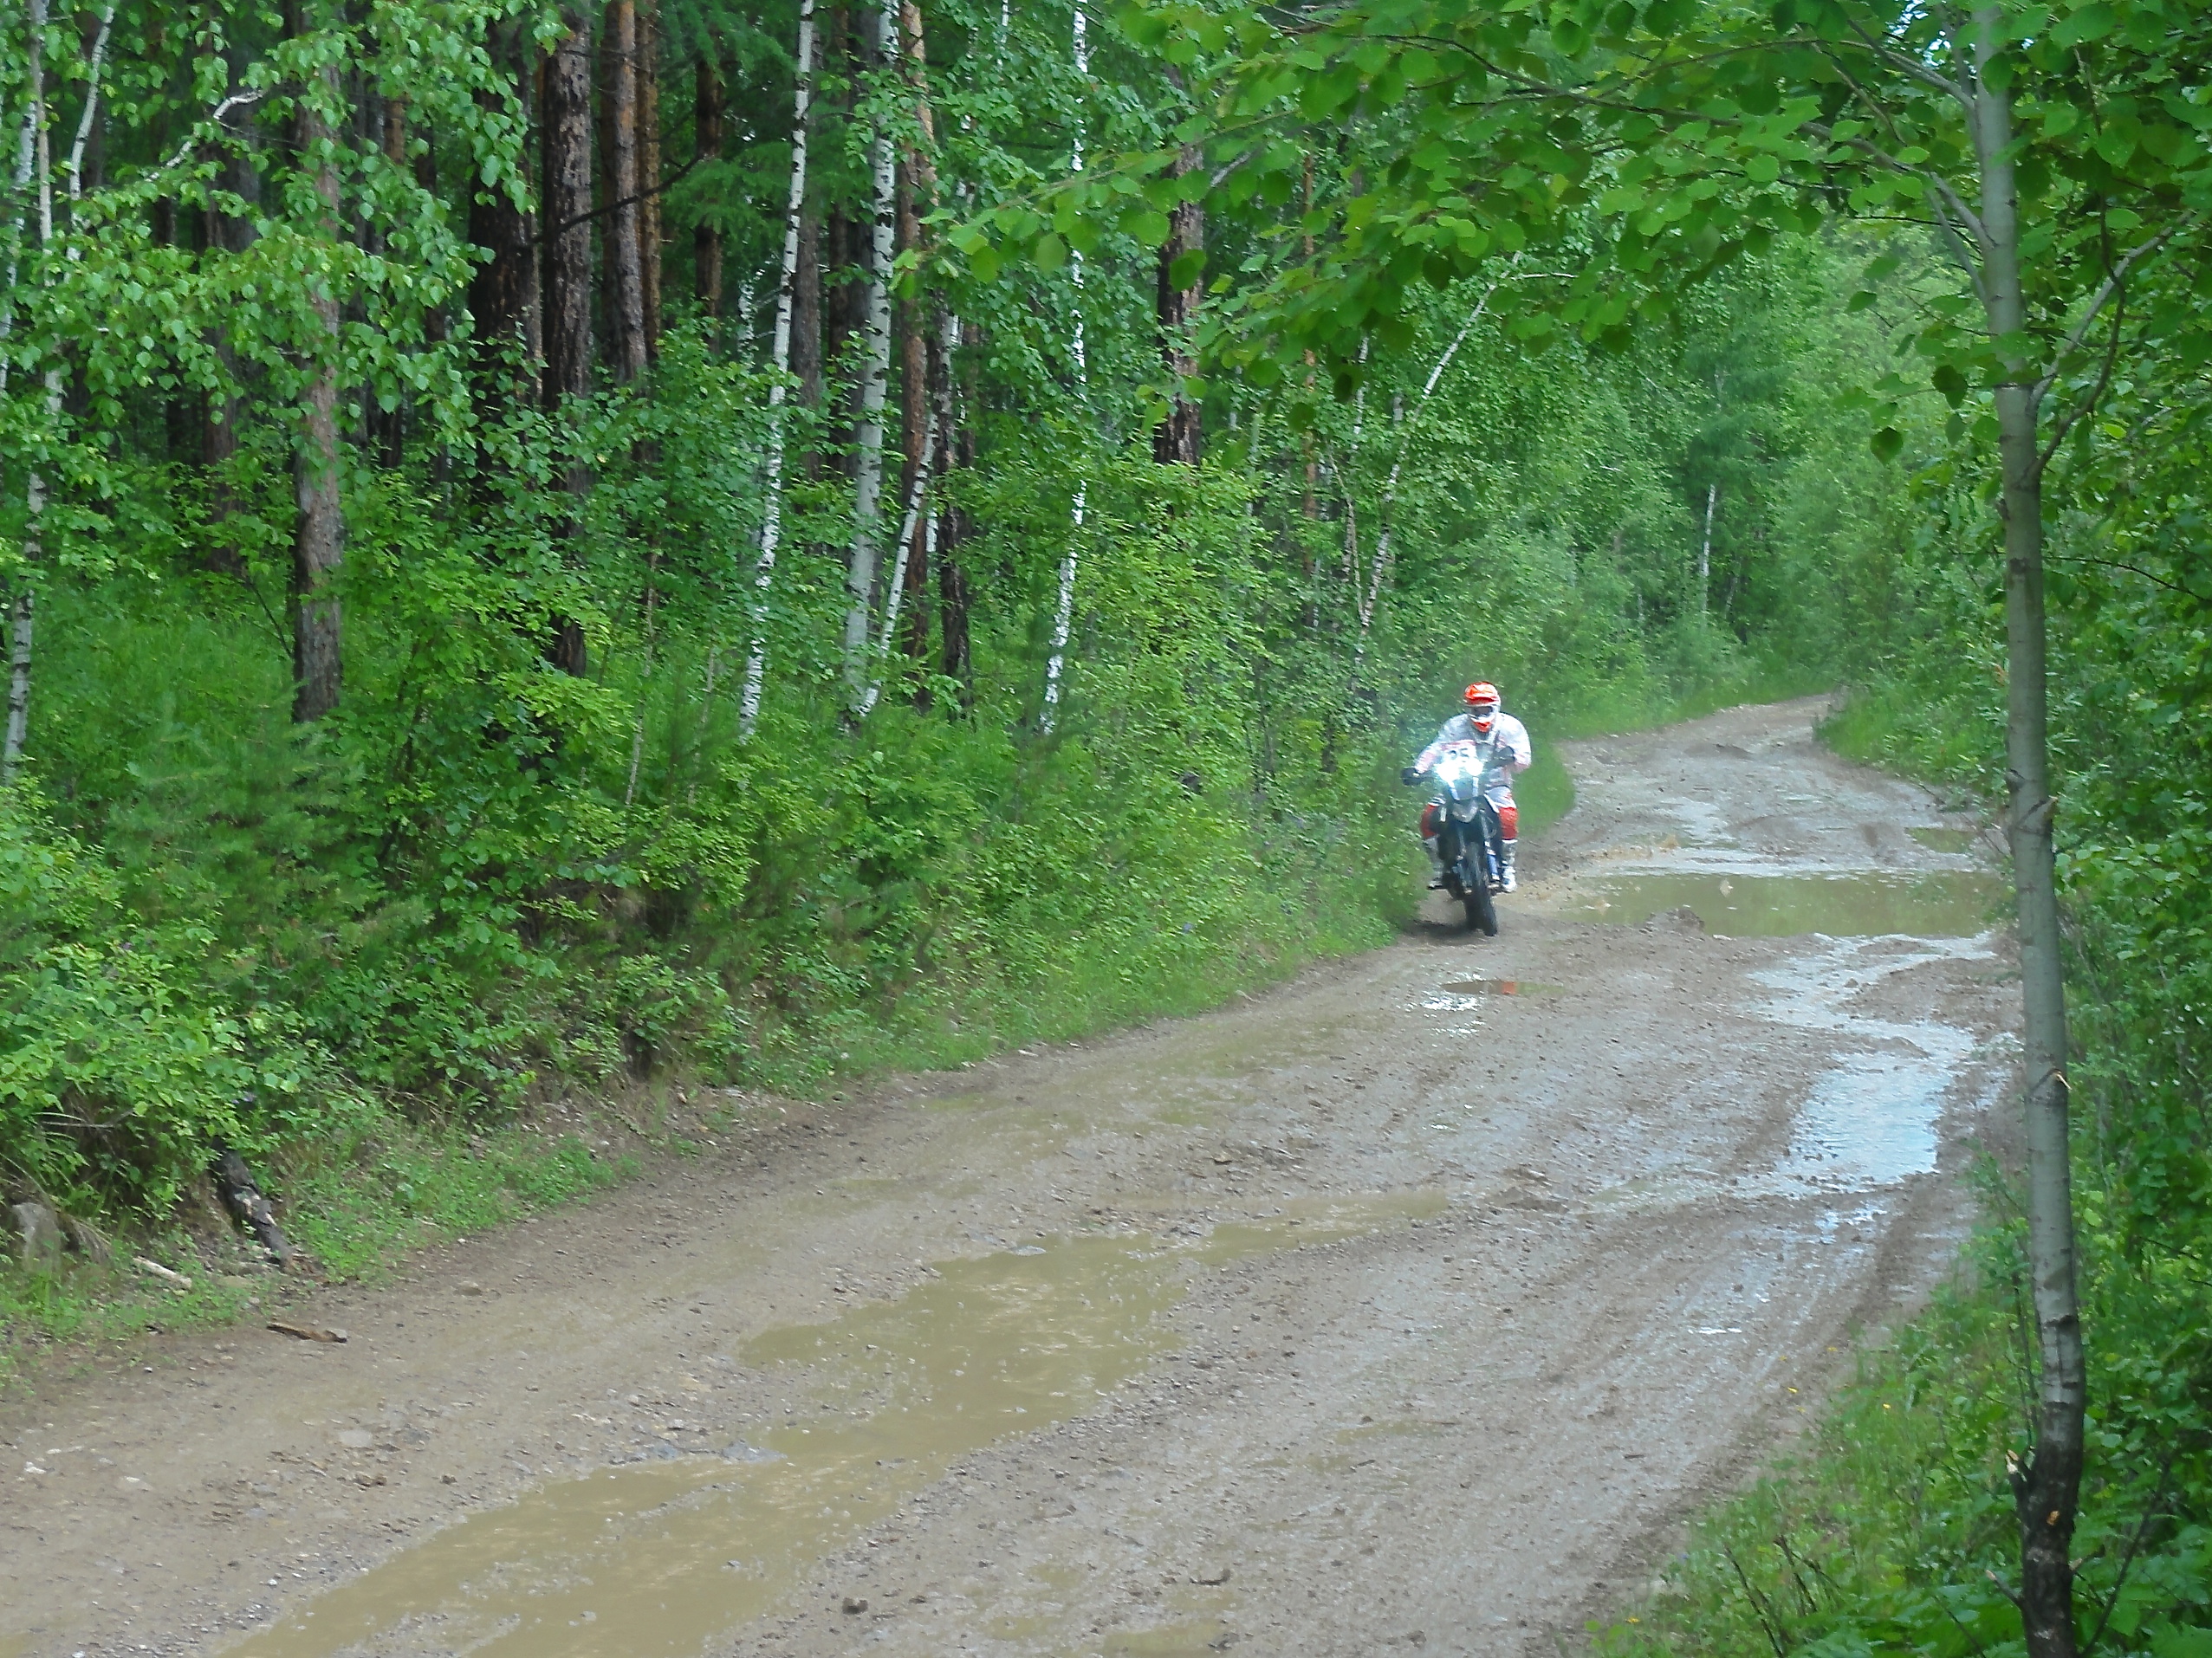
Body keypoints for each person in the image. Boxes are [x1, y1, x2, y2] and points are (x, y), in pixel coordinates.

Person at [1401, 682, 1533, 892]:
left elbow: (1524, 759)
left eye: (1485, 708)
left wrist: (1509, 757)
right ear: (1468, 708)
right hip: (1456, 784)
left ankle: (1507, 869)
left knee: (1507, 817)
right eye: (1476, 709)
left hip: (1493, 784)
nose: (1481, 713)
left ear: (1495, 706)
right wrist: (1418, 769)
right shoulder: (1454, 727)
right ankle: (1438, 868)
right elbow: (1437, 748)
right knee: (1428, 818)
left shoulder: (1510, 727)